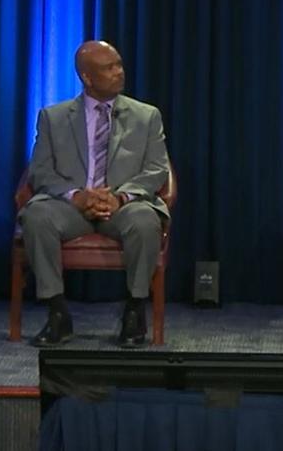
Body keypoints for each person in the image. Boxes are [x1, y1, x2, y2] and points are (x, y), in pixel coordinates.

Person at [19, 41, 171, 348]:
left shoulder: (146, 116)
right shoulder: (53, 117)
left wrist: (120, 197)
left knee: (145, 221)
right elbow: (41, 170)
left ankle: (134, 310)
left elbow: (157, 169)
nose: (119, 73)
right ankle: (57, 312)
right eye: (109, 68)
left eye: (119, 65)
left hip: (124, 205)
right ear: (87, 77)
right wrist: (77, 196)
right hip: (71, 207)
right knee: (36, 216)